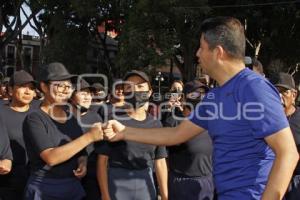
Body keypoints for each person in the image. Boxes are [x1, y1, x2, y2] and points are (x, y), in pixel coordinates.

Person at [103, 17, 299, 200]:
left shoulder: (253, 88)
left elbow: (288, 153)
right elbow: (176, 134)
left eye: (201, 47)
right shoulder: (215, 96)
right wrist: (125, 132)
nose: (197, 54)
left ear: (218, 52)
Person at [23, 62, 103, 200]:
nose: (66, 90)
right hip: (44, 188)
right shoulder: (34, 119)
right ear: (44, 87)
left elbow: (81, 151)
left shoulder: (71, 117)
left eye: (69, 86)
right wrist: (90, 137)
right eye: (60, 85)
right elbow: (51, 158)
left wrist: (82, 163)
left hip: (72, 187)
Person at [96, 70, 168, 200]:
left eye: (140, 86)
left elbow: (160, 162)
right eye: (129, 87)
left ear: (150, 92)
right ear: (124, 92)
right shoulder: (113, 120)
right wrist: (105, 195)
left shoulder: (156, 124)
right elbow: (102, 161)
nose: (135, 91)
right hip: (117, 183)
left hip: (146, 183)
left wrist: (164, 195)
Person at [166, 80, 214, 200]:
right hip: (181, 186)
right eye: (195, 94)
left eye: (203, 95)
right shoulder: (173, 123)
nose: (200, 98)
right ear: (184, 98)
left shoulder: (212, 123)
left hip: (208, 184)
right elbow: (162, 159)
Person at [0, 70, 36, 200]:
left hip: (36, 179)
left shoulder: (40, 113)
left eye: (31, 88)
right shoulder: (1, 111)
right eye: (22, 87)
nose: (28, 91)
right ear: (10, 90)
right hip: (7, 181)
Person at [69, 78, 104, 200]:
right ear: (71, 96)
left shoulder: (96, 117)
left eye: (89, 94)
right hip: (67, 175)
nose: (87, 97)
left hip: (92, 176)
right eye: (83, 93)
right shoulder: (62, 117)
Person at [274, 72, 300, 200]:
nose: (279, 97)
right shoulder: (263, 120)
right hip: (270, 182)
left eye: (284, 92)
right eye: (275, 92)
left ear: (294, 95)